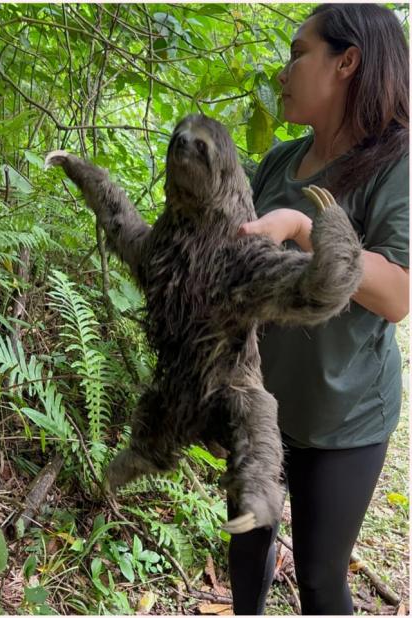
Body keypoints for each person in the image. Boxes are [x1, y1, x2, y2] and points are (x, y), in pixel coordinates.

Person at [234, 4, 408, 614]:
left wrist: (310, 230)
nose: (283, 72)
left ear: (347, 62)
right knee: (247, 542)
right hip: (264, 399)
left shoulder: (394, 166)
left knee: (318, 576)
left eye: (298, 53)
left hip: (344, 414)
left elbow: (396, 293)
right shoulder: (280, 161)